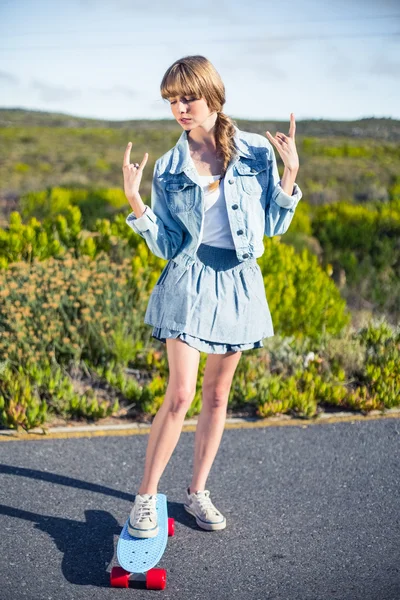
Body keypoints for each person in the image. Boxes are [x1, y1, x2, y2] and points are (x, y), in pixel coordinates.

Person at [122, 55, 302, 538]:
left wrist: (288, 175)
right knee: (181, 394)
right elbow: (166, 243)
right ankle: (145, 498)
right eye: (172, 101)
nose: (180, 108)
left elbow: (276, 225)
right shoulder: (168, 166)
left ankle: (197, 491)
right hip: (189, 276)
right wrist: (138, 203)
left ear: (213, 97)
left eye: (188, 98)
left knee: (218, 396)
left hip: (240, 278)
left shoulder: (256, 153)